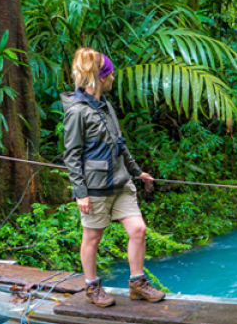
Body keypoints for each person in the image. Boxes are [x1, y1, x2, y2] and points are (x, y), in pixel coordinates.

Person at [61, 47, 165, 307]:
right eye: (110, 73)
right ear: (100, 77)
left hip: (120, 182)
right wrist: (80, 192)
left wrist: (136, 171)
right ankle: (92, 287)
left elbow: (120, 144)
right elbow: (72, 155)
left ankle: (137, 284)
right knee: (92, 238)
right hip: (95, 188)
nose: (114, 77)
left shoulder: (106, 105)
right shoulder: (77, 111)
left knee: (138, 229)